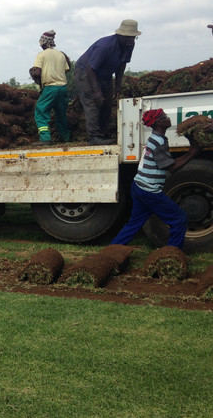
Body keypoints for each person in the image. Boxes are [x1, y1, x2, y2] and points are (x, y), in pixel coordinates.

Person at [110, 109, 200, 250]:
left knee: (134, 223)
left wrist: (190, 150)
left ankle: (112, 249)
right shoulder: (158, 142)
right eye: (165, 117)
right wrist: (192, 154)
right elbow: (172, 168)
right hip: (149, 190)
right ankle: (172, 253)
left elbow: (170, 163)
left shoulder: (157, 138)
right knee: (179, 218)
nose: (168, 118)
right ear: (158, 123)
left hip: (139, 186)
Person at [74, 19, 141, 145]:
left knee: (107, 102)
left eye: (133, 37)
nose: (131, 40)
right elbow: (91, 68)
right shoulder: (105, 46)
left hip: (105, 75)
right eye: (128, 37)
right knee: (94, 101)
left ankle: (102, 134)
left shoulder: (129, 45)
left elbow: (122, 64)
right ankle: (94, 137)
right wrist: (97, 91)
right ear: (120, 35)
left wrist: (118, 86)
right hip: (85, 73)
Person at [29, 30, 71, 146]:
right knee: (61, 114)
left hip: (50, 88)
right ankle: (66, 138)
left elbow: (37, 72)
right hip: (62, 88)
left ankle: (45, 138)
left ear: (43, 42)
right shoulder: (60, 54)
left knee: (41, 111)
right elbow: (67, 69)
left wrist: (35, 76)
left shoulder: (41, 55)